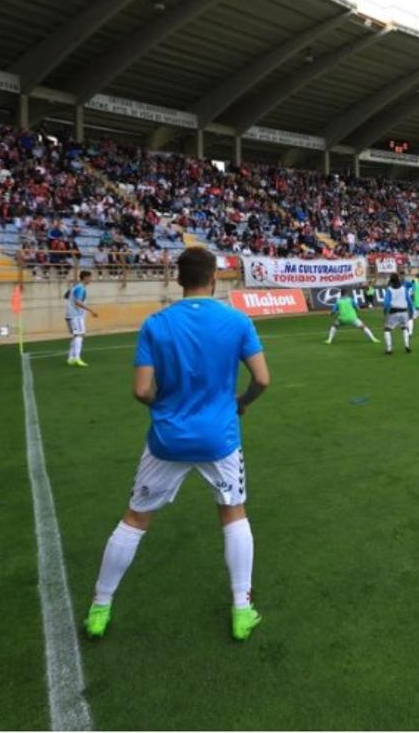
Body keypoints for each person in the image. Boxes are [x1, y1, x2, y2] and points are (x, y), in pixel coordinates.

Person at [83, 246, 270, 641]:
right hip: (220, 438)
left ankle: (100, 606)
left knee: (135, 519)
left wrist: (163, 405)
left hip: (168, 438)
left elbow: (141, 390)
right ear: (214, 278)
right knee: (233, 512)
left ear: (177, 279)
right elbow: (262, 379)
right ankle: (242, 608)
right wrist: (241, 403)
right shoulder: (237, 321)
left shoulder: (156, 323)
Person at [65, 270, 98, 368]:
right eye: (90, 277)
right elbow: (78, 302)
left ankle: (71, 358)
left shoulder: (75, 287)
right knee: (80, 335)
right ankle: (77, 358)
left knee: (76, 335)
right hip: (76, 315)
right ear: (85, 278)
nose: (91, 280)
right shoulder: (81, 288)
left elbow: (66, 296)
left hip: (69, 314)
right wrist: (91, 310)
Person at [382, 272, 412, 354]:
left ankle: (389, 349)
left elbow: (386, 303)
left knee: (387, 329)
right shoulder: (403, 288)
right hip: (404, 311)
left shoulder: (389, 290)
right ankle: (407, 345)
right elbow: (409, 301)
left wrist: (385, 312)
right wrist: (411, 312)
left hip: (394, 312)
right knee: (405, 328)